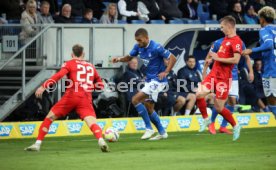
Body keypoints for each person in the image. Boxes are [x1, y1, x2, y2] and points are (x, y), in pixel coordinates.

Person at [24, 44, 110, 152]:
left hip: (71, 95)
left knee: (49, 118)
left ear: (71, 54)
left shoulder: (69, 63)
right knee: (92, 122)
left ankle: (37, 144)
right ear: (83, 54)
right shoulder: (91, 66)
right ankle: (101, 140)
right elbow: (100, 86)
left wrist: (43, 86)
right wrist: (88, 86)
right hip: (85, 98)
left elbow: (58, 75)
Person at [112, 28, 176, 140]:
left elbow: (173, 58)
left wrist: (166, 71)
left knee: (135, 99)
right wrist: (118, 59)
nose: (138, 43)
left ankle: (149, 129)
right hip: (149, 81)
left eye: (140, 40)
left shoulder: (156, 47)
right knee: (149, 107)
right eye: (137, 40)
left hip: (158, 81)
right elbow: (129, 57)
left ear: (146, 38)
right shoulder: (138, 47)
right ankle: (162, 132)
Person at [196, 16, 242, 141]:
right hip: (214, 74)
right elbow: (220, 55)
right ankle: (206, 119)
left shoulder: (237, 41)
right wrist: (212, 60)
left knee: (219, 108)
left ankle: (235, 125)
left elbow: (236, 60)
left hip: (224, 79)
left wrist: (217, 58)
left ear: (229, 26)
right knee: (199, 94)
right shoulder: (224, 40)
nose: (221, 29)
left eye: (222, 27)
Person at [202, 38, 254, 135]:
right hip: (220, 76)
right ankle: (211, 123)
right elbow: (208, 56)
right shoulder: (218, 43)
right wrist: (204, 72)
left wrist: (251, 71)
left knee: (232, 101)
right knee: (219, 102)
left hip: (233, 76)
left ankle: (223, 127)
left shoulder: (239, 42)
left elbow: (246, 57)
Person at [242, 6, 276, 119]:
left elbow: (269, 44)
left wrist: (252, 50)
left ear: (262, 19)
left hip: (271, 70)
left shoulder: (264, 30)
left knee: (271, 100)